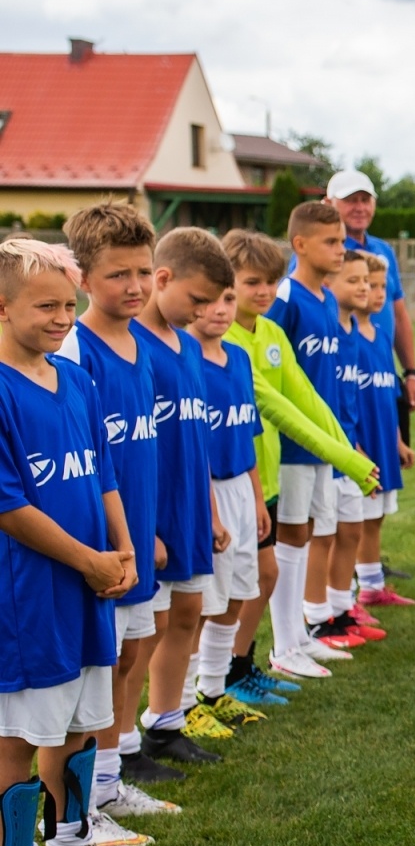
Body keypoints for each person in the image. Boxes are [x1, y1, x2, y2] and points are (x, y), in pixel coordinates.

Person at [0, 239, 150, 846]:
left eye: (69, 304)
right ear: (3, 307)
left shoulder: (76, 379)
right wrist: (88, 560)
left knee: (85, 722)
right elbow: (9, 506)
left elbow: (103, 472)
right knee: (19, 736)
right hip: (31, 596)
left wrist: (122, 548)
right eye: (46, 307)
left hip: (92, 582)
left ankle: (73, 841)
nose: (64, 318)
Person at [57, 203, 185, 808]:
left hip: (137, 536)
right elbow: (80, 464)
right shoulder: (74, 351)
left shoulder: (141, 344)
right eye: (117, 274)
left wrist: (149, 529)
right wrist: (108, 543)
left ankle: (108, 783)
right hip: (102, 546)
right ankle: (80, 804)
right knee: (99, 670)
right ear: (82, 278)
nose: (135, 286)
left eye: (142, 271)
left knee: (131, 654)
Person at [221, 230, 376, 683]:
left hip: (266, 474)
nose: (265, 291)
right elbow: (276, 407)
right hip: (235, 474)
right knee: (231, 586)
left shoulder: (270, 331)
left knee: (268, 568)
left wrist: (347, 450)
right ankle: (228, 673)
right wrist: (348, 461)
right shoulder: (224, 338)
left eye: (271, 281)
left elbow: (306, 397)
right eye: (252, 282)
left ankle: (272, 650)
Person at [134, 228, 233, 763]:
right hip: (152, 512)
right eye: (196, 299)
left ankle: (165, 723)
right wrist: (142, 527)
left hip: (192, 508)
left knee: (189, 612)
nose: (203, 312)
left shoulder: (190, 346)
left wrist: (211, 511)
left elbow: (198, 442)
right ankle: (120, 745)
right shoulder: (132, 345)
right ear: (163, 278)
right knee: (145, 630)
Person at [268, 203, 369, 665]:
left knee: (309, 533)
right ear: (300, 245)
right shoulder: (285, 299)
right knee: (291, 536)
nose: (341, 249)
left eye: (342, 240)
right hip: (292, 445)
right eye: (331, 241)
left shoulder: (327, 299)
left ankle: (300, 633)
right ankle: (284, 644)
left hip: (323, 444)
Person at [187, 287, 272, 732]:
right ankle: (183, 704)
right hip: (208, 489)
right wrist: (212, 513)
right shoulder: (185, 361)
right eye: (207, 300)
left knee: (239, 590)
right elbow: (193, 445)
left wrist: (257, 499)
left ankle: (214, 689)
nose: (220, 311)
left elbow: (246, 432)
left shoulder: (238, 357)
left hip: (240, 486)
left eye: (228, 299)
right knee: (201, 602)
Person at [323, 169, 415, 456]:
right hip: (347, 375)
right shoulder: (326, 251)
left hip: (381, 372)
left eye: (365, 200)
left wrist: (411, 372)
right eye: (350, 200)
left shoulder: (383, 250)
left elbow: (398, 313)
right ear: (329, 203)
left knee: (388, 459)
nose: (359, 208)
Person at [322, 251, 386, 648]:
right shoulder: (328, 329)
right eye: (355, 280)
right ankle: (321, 615)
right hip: (331, 450)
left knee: (351, 529)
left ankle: (342, 607)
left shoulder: (350, 333)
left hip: (348, 446)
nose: (364, 287)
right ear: (329, 284)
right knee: (325, 535)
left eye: (368, 280)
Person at [352, 251, 414, 609]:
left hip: (383, 441)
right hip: (361, 445)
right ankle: (346, 592)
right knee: (353, 521)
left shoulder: (379, 337)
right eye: (368, 285)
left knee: (375, 517)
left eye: (380, 287)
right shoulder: (347, 340)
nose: (376, 293)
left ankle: (372, 586)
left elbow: (388, 396)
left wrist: (398, 441)